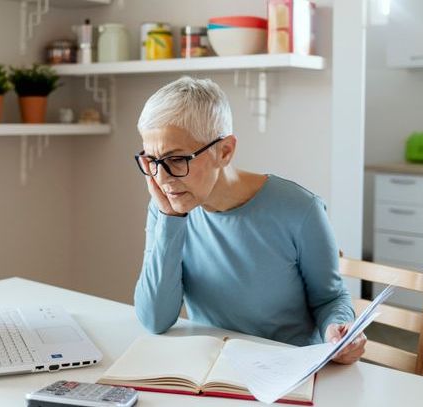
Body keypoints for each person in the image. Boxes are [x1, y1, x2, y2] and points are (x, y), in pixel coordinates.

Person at [133, 76, 364, 364]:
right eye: (152, 162)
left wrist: (336, 330)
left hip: (288, 372)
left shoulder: (300, 209)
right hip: (213, 369)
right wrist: (171, 219)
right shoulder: (166, 208)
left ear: (225, 151)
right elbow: (155, 319)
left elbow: (330, 299)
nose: (162, 178)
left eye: (177, 159)